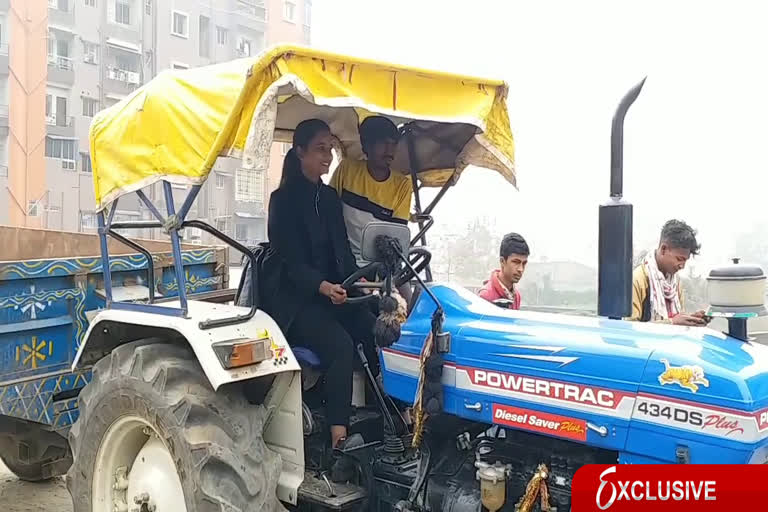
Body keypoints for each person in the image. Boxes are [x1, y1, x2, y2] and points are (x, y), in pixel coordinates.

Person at [264, 118, 377, 453]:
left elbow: (342, 252)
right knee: (340, 345)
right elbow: (290, 261)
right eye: (319, 149)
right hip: (294, 302)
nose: (327, 156)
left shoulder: (329, 198)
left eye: (329, 149)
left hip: (331, 296)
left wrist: (362, 284)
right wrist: (324, 286)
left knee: (373, 328)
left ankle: (388, 420)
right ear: (299, 152)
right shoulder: (282, 200)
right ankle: (339, 439)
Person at [328, 116, 414, 301]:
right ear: (366, 145)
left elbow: (395, 239)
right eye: (383, 143)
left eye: (393, 144)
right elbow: (328, 217)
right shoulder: (347, 170)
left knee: (410, 303)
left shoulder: (402, 186)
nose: (389, 150)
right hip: (343, 262)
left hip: (380, 264)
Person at [628, 219, 709, 326]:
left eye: (685, 260)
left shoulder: (675, 283)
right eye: (679, 259)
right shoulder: (637, 280)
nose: (682, 266)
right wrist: (671, 323)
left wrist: (690, 319)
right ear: (663, 249)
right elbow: (629, 328)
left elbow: (676, 318)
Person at [478, 233, 529, 309]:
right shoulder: (485, 295)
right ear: (502, 261)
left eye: (524, 263)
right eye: (515, 262)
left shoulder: (516, 296)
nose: (520, 269)